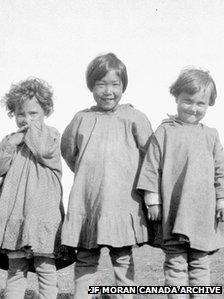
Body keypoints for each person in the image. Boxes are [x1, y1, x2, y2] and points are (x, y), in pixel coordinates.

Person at [61, 53, 153, 298]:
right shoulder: (81, 119)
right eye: (101, 84)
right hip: (87, 201)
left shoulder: (135, 118)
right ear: (91, 86)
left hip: (122, 202)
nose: (108, 91)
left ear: (124, 85)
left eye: (115, 84)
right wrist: (90, 174)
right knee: (85, 259)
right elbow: (70, 153)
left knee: (122, 258)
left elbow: (150, 158)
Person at [137, 67, 224, 298]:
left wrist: (221, 200)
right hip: (174, 213)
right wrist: (152, 200)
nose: (193, 108)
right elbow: (151, 167)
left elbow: (220, 171)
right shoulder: (165, 132)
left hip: (202, 215)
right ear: (176, 97)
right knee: (175, 264)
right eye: (188, 101)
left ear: (209, 105)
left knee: (200, 264)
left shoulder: (211, 135)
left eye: (200, 104)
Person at [0, 78, 64, 299]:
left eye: (33, 113)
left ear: (45, 111)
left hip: (42, 213)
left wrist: (28, 133)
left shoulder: (51, 134)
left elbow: (43, 150)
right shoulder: (11, 140)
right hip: (15, 213)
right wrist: (10, 144)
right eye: (20, 114)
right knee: (16, 270)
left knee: (46, 267)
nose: (26, 119)